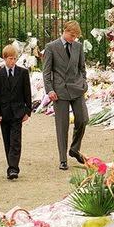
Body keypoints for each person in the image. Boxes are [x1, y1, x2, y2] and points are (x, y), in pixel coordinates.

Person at [43, 21, 89, 170]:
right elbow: (47, 71)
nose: (73, 38)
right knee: (62, 126)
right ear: (65, 31)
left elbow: (82, 68)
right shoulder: (51, 47)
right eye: (72, 35)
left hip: (77, 89)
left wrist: (84, 83)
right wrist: (49, 90)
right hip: (60, 91)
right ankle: (63, 159)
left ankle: (74, 149)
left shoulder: (78, 47)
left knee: (83, 119)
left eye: (76, 36)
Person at [0, 44, 32, 180]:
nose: (12, 61)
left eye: (15, 58)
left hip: (18, 112)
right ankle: (11, 164)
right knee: (7, 141)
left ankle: (13, 168)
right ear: (4, 58)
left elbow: (27, 92)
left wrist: (28, 110)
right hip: (4, 113)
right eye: (10, 58)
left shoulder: (23, 73)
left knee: (16, 140)